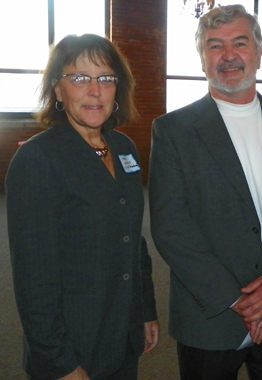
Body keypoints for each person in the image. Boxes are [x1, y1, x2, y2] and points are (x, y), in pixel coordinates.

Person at [149, 5, 262, 380]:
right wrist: (240, 302)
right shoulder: (172, 130)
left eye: (240, 43)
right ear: (202, 59)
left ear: (259, 53)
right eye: (215, 46)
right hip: (209, 317)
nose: (229, 56)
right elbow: (171, 227)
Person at [6, 34, 159, 380]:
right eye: (79, 78)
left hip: (122, 332)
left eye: (106, 78)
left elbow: (133, 240)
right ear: (58, 91)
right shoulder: (37, 158)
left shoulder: (125, 148)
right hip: (73, 345)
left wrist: (145, 309)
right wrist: (58, 360)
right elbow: (33, 276)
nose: (95, 90)